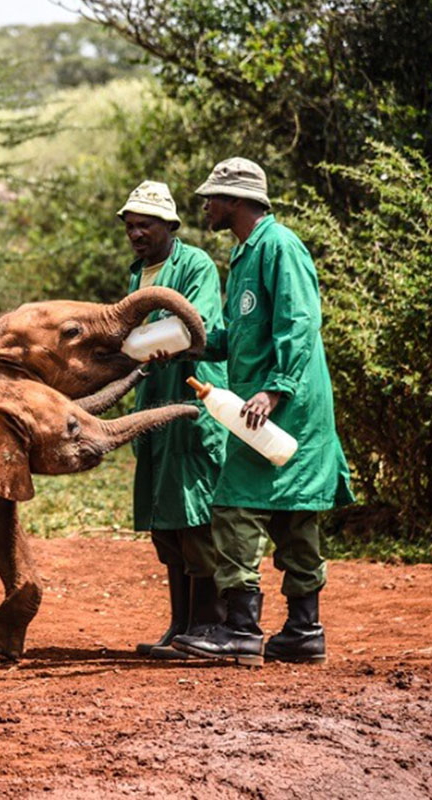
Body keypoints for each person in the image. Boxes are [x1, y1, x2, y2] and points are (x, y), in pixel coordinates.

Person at [172, 158, 354, 666]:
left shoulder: (279, 246)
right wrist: (190, 345)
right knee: (296, 516)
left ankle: (242, 629)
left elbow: (300, 323)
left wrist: (276, 391)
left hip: (286, 407)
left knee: (233, 506)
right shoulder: (244, 255)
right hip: (270, 404)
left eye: (212, 197)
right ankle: (303, 630)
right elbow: (243, 338)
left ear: (236, 200)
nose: (205, 205)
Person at [117, 181, 228, 660]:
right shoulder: (137, 274)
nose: (137, 234)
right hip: (153, 404)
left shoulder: (195, 265)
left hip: (190, 400)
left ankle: (209, 625)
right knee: (164, 518)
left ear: (170, 226)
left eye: (146, 225)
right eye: (130, 226)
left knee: (194, 515)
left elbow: (193, 327)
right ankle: (180, 625)